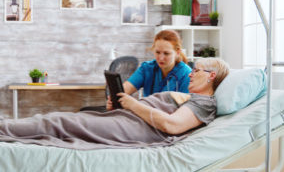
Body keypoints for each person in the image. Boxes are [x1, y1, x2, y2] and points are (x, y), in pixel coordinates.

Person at [0, 58, 229, 150]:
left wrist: (132, 105)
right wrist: (121, 106)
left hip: (136, 128)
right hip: (127, 120)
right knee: (57, 121)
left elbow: (172, 125)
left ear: (210, 76)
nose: (191, 74)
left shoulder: (205, 102)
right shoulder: (191, 97)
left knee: (56, 122)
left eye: (197, 70)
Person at [123, 29, 192, 97]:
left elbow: (186, 105)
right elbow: (125, 89)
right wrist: (114, 98)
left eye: (166, 53)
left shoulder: (186, 74)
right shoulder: (147, 68)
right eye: (157, 52)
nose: (161, 58)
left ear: (177, 52)